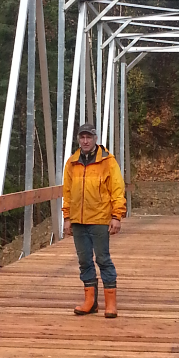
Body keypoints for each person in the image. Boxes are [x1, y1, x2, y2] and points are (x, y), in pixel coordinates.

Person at [62, 123, 127, 318]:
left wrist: (117, 216)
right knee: (84, 261)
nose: (85, 141)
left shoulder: (108, 161)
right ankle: (90, 301)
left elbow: (117, 188)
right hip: (78, 220)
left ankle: (110, 303)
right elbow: (67, 192)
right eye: (82, 137)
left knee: (103, 259)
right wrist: (67, 217)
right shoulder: (72, 163)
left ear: (95, 138)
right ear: (78, 140)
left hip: (99, 218)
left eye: (88, 137)